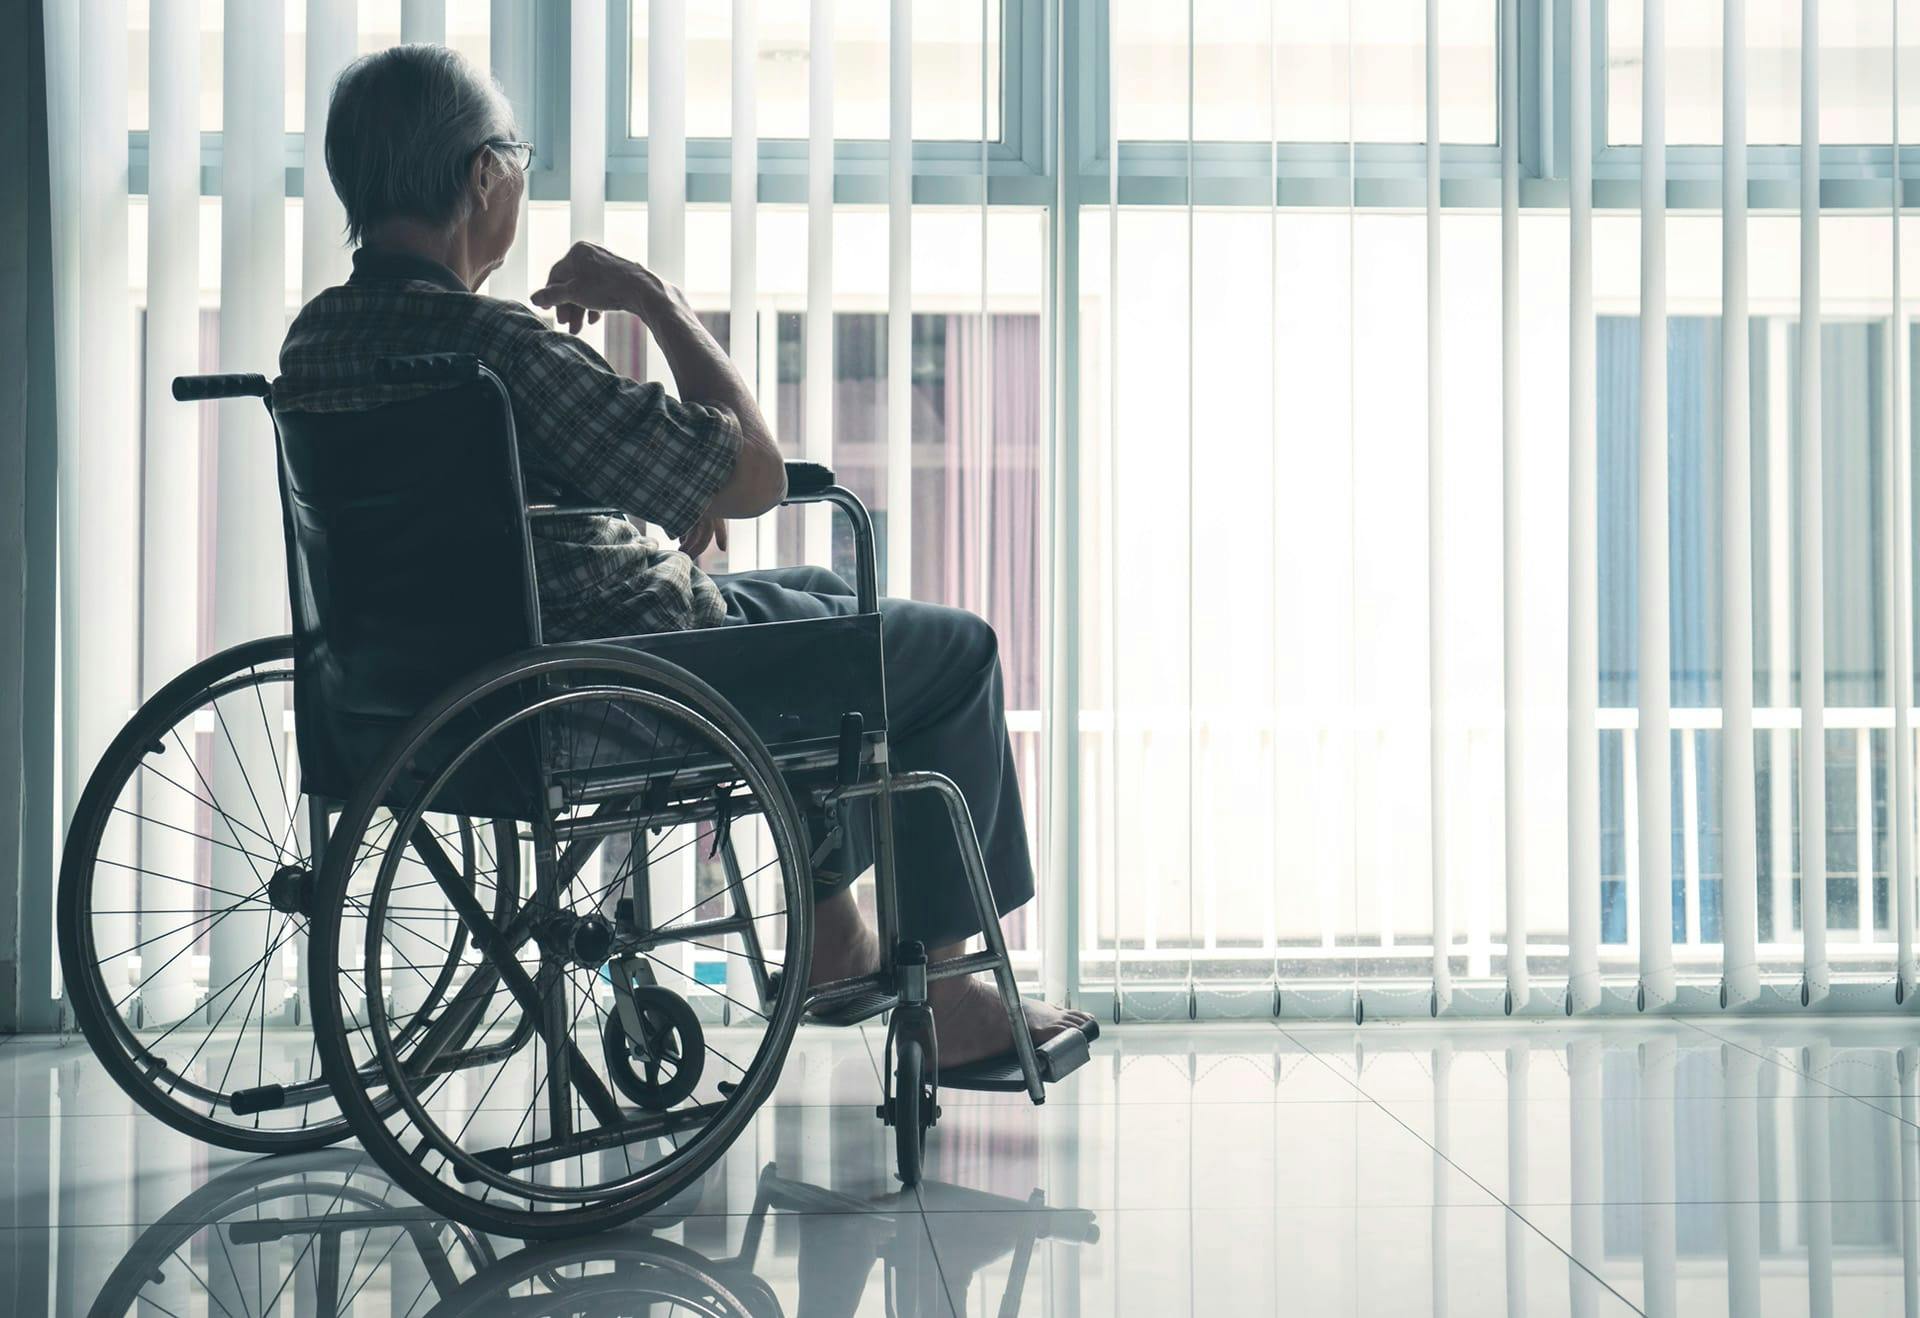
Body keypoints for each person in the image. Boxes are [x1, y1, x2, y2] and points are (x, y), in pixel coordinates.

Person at [276, 43, 1092, 1068]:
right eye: (516, 154)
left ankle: (836, 937)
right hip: (609, 684)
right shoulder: (502, 350)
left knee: (823, 603)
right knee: (950, 650)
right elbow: (750, 476)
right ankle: (953, 993)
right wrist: (651, 294)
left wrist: (637, 509)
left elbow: (479, 521)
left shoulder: (314, 347)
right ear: (482, 174)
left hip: (419, 696)